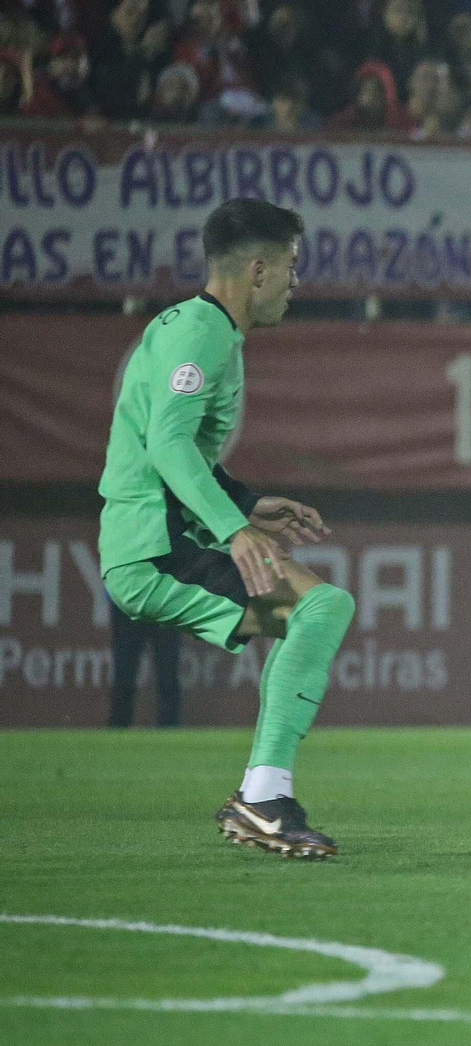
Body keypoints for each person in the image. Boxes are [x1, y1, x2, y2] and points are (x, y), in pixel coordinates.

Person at [97, 198, 355, 861]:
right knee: (320, 610)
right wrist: (234, 532)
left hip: (164, 536)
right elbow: (168, 444)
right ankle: (263, 797)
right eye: (293, 268)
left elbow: (187, 454)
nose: (297, 283)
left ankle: (263, 796)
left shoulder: (195, 327)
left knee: (321, 609)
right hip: (155, 549)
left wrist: (245, 505)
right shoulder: (202, 333)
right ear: (260, 270)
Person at [107, 600, 182, 728]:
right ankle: (118, 729)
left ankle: (170, 731)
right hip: (129, 606)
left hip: (164, 606)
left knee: (168, 676)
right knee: (124, 676)